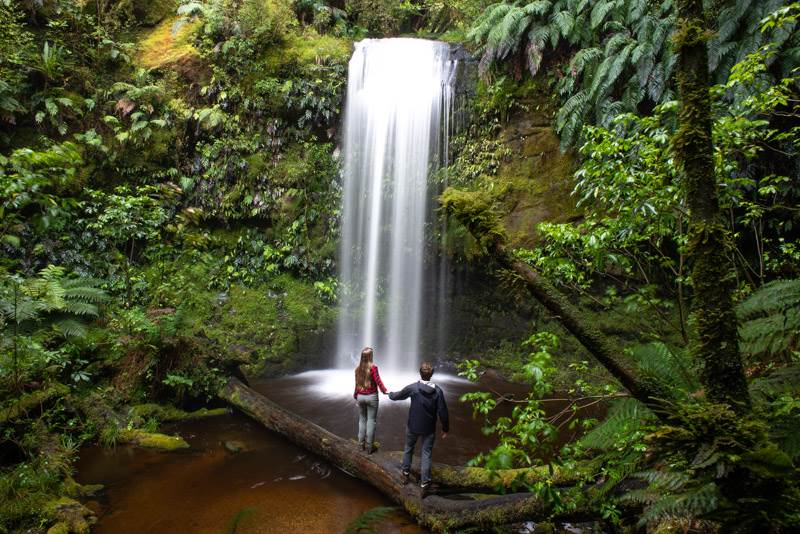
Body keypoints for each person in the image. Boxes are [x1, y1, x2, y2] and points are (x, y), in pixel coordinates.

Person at [388, 361, 449, 496]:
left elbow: (398, 396)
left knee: (408, 449)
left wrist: (389, 394)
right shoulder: (438, 391)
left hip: (413, 425)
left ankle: (405, 474)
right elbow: (443, 412)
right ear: (432, 374)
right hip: (428, 428)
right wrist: (445, 428)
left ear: (420, 373)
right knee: (426, 454)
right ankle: (424, 484)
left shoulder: (414, 388)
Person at [353, 347, 388, 453]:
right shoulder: (373, 368)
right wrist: (384, 391)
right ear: (371, 356)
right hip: (372, 397)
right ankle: (369, 447)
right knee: (371, 421)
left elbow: (357, 384)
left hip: (360, 397)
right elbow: (378, 381)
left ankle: (360, 445)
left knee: (362, 420)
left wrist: (356, 396)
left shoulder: (357, 368)